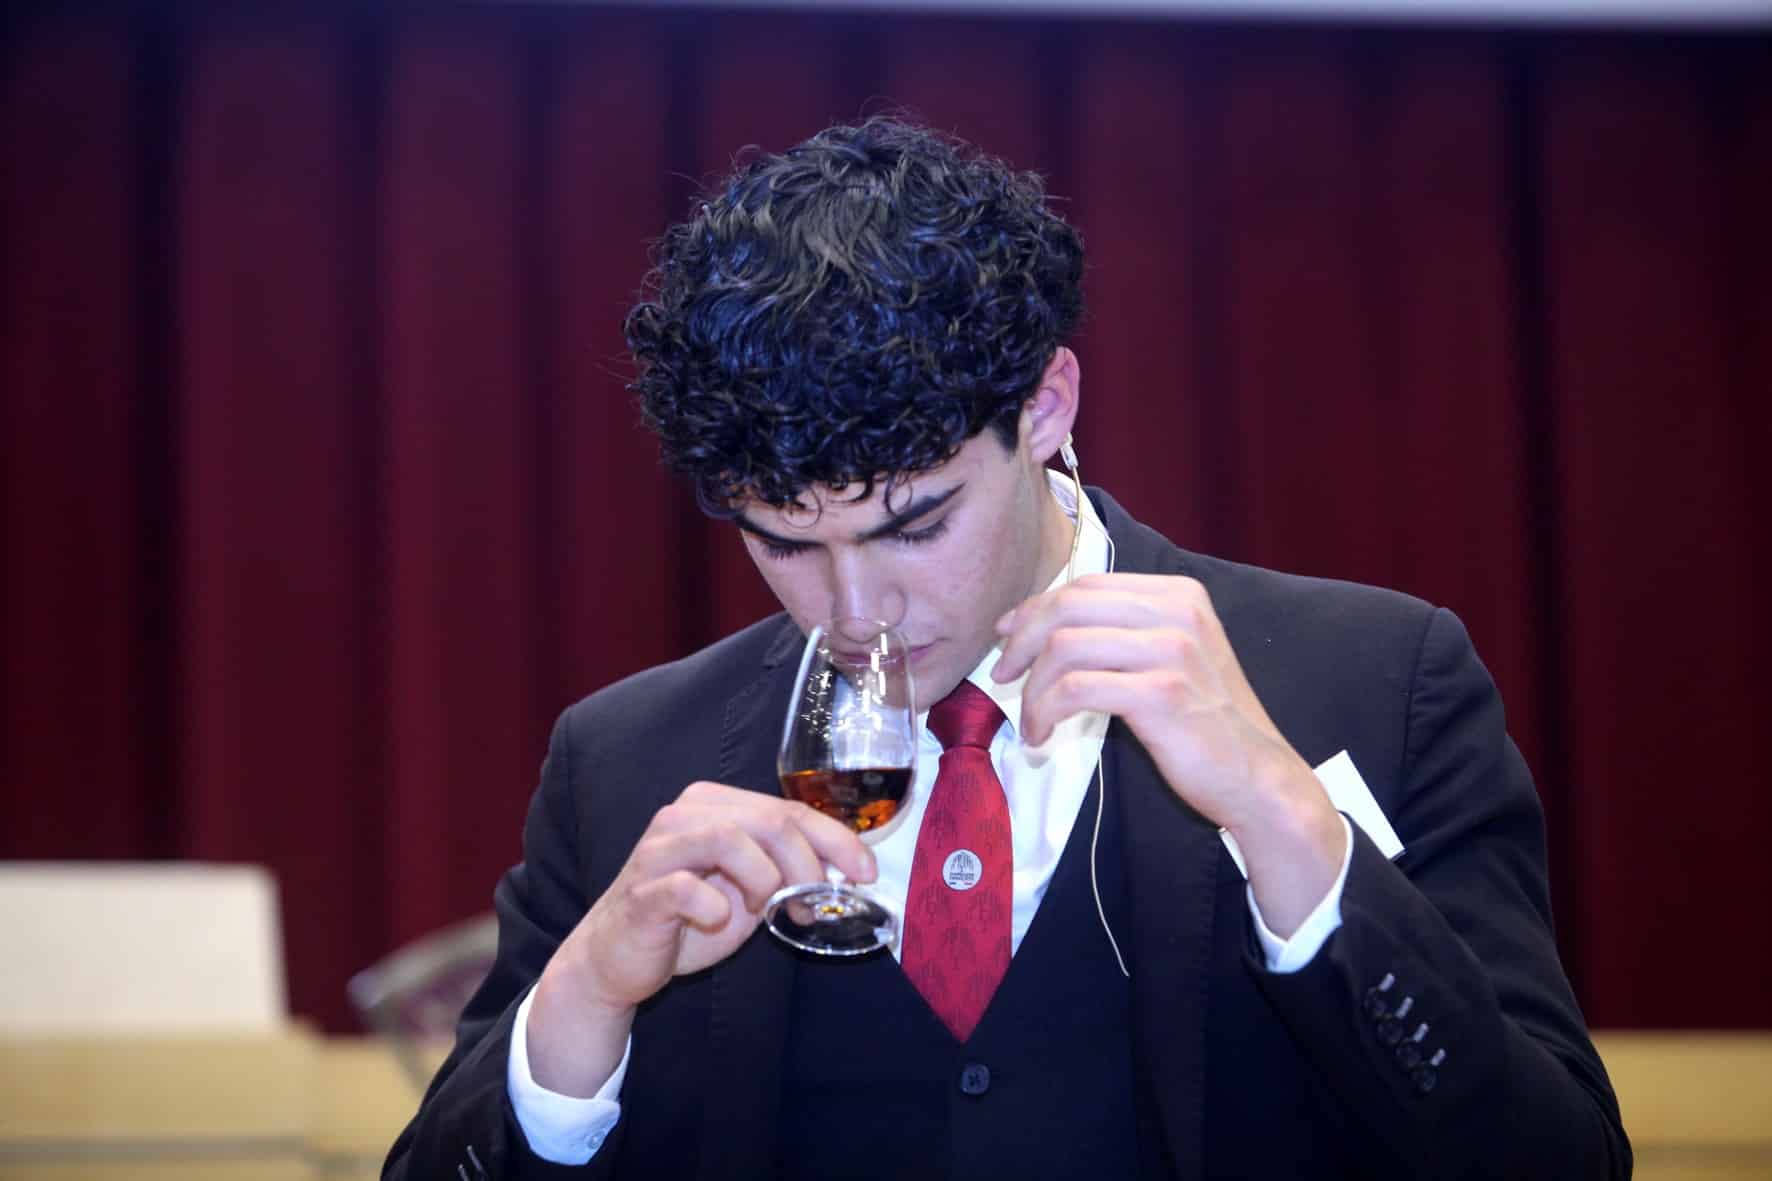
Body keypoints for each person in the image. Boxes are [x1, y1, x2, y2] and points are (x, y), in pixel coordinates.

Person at [383, 117, 1630, 1179]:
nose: (855, 608)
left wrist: (1285, 817)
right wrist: (588, 993)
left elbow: (1558, 1161)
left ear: (1042, 405)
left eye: (913, 523)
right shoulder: (620, 759)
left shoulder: (1377, 677)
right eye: (783, 542)